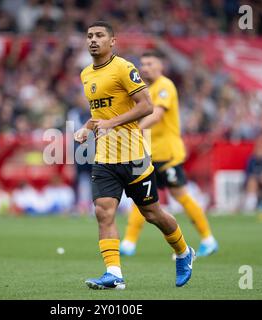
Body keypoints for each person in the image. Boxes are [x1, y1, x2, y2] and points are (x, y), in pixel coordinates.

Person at [74, 21, 194, 290]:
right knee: (103, 212)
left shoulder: (125, 68)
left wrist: (112, 123)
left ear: (112, 41)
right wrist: (86, 127)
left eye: (99, 36)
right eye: (90, 36)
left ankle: (184, 252)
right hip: (105, 157)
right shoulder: (86, 74)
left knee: (152, 214)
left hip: (134, 156)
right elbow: (100, 114)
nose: (93, 40)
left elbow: (147, 106)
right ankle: (114, 274)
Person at [120, 51, 219, 258]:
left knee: (180, 195)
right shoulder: (144, 90)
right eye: (143, 64)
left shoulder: (165, 86)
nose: (145, 67)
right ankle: (128, 243)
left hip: (167, 154)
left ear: (161, 66)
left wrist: (134, 130)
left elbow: (157, 115)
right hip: (146, 153)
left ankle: (208, 239)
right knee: (141, 196)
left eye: (150, 63)